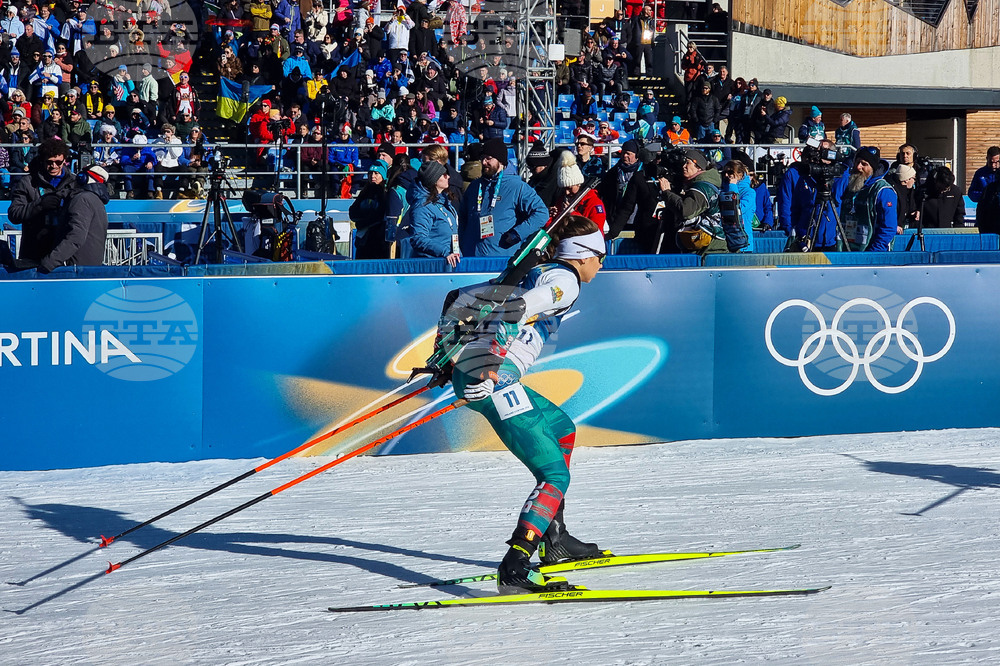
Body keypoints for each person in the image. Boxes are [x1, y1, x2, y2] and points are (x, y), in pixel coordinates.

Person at [441, 214, 607, 592]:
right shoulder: (565, 283)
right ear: (582, 256)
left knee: (563, 428)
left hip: (482, 371)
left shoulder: (542, 270)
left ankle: (556, 539)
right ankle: (516, 563)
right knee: (555, 475)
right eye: (600, 256)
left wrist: (449, 359)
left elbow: (458, 299)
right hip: (495, 378)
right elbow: (517, 310)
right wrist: (489, 363)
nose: (602, 264)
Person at [458, 138, 548, 256]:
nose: (484, 162)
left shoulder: (517, 186)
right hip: (472, 256)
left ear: (500, 161)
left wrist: (517, 234)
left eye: (489, 158)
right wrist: (463, 242)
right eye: (482, 158)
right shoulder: (475, 186)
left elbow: (542, 213)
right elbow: (462, 217)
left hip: (501, 256)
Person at [10, 139, 78, 266]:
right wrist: (40, 205)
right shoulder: (27, 182)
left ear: (65, 161)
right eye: (49, 162)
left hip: (64, 254)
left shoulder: (74, 183)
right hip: (33, 252)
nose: (54, 166)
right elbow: (14, 213)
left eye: (58, 162)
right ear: (42, 160)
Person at [777, 138, 847, 251]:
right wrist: (791, 230)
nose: (819, 155)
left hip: (831, 239)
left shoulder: (841, 176)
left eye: (824, 151)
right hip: (806, 238)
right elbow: (790, 205)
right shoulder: (803, 175)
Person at [657, 148, 727, 254]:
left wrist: (667, 193)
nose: (683, 166)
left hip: (709, 248)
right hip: (707, 244)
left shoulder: (701, 187)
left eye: (687, 163)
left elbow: (686, 211)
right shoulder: (706, 183)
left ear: (698, 166)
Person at [841, 146, 898, 252]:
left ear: (873, 167)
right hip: (848, 249)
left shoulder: (883, 190)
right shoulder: (852, 186)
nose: (858, 167)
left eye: (864, 164)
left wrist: (874, 253)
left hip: (871, 253)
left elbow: (888, 227)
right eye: (857, 162)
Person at [409, 160, 461, 266]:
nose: (448, 177)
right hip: (432, 265)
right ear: (434, 179)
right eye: (444, 175)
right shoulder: (422, 206)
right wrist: (444, 252)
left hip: (450, 262)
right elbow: (419, 238)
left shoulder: (443, 202)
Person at [549, 150, 608, 234]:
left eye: (569, 188)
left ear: (578, 184)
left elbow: (595, 231)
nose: (567, 192)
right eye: (564, 189)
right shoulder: (561, 200)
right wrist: (551, 216)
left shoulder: (593, 202)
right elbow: (553, 230)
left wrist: (573, 215)